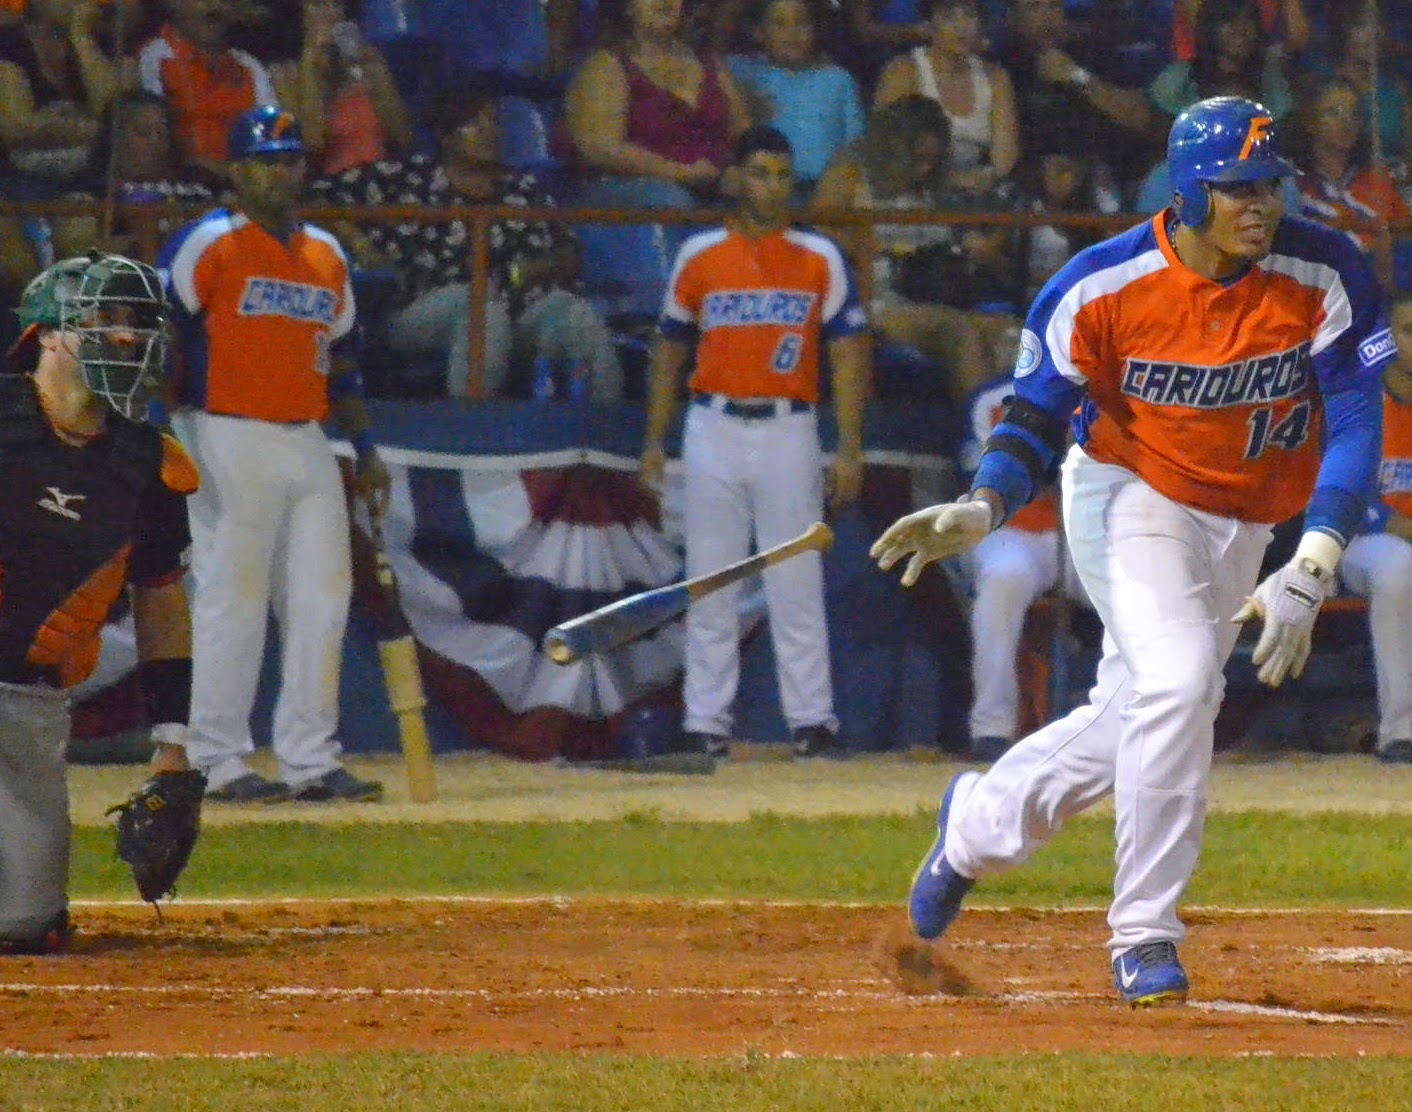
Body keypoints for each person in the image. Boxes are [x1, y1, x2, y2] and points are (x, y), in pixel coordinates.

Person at [871, 96, 1390, 1004]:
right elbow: (1032, 416)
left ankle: (978, 826)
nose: (1260, 204)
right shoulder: (1099, 283)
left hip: (1250, 514)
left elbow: (1353, 417)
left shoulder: (1325, 265)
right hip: (1132, 493)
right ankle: (1143, 934)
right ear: (1188, 194)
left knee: (1139, 712)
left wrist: (1313, 561)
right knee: (1184, 681)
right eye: (1236, 190)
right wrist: (984, 506)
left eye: (1268, 185)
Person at [159, 106, 391, 804]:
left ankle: (310, 759)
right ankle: (216, 758)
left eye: (290, 158)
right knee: (232, 596)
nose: (280, 171)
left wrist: (368, 448)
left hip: (307, 435)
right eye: (265, 160)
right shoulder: (210, 240)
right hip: (223, 429)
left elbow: (341, 360)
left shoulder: (325, 251)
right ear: (237, 170)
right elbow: (160, 335)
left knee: (323, 599)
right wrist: (158, 430)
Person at [639, 125, 868, 760]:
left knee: (796, 576)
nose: (773, 187)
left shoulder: (819, 256)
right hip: (710, 423)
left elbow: (848, 351)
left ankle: (812, 720)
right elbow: (669, 348)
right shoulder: (700, 255)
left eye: (782, 175)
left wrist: (848, 445)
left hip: (789, 425)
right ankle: (705, 721)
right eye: (761, 173)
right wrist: (654, 439)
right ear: (738, 177)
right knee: (709, 576)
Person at [0, 251, 200, 952]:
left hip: (29, 704)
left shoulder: (149, 464)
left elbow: (162, 603)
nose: (128, 337)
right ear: (49, 335)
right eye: (107, 319)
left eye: (140, 321)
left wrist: (171, 747)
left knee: (22, 926)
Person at [312, 83, 623, 402]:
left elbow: (569, 251)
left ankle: (604, 433)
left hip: (518, 310)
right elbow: (316, 195)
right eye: (474, 122)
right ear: (446, 135)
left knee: (576, 315)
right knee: (479, 304)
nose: (488, 131)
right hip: (419, 309)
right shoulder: (407, 180)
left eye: (492, 122)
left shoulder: (522, 188)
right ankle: (474, 425)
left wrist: (538, 268)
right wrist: (360, 244)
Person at [951, 363, 1088, 763]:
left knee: (1131, 591)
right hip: (1011, 532)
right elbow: (980, 475)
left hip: (1081, 532)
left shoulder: (1104, 392)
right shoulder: (991, 398)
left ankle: (1145, 723)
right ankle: (991, 730)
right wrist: (1049, 462)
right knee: (1003, 579)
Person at [1337, 288, 1412, 765]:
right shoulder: (1359, 401)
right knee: (1398, 567)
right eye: (1408, 331)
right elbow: (1339, 495)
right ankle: (1401, 731)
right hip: (1358, 542)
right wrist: (1391, 521)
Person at [871, 0, 1020, 196]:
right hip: (913, 189)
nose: (962, 27)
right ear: (928, 24)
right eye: (949, 16)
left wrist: (988, 178)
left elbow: (1004, 161)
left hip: (977, 195)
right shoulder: (903, 72)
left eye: (969, 15)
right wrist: (952, 180)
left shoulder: (997, 77)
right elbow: (886, 150)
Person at [726, 0, 866, 201]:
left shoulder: (837, 79)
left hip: (827, 193)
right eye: (780, 23)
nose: (792, 32)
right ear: (759, 32)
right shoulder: (743, 74)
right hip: (765, 191)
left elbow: (855, 142)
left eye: (801, 23)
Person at [1286, 74, 1411, 294]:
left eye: (1353, 114)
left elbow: (1405, 228)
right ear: (1309, 121)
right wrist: (1361, 226)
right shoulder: (1293, 183)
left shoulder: (1376, 177)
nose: (1346, 122)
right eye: (1333, 113)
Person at [137, 0, 277, 180]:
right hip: (177, 186)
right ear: (174, 4)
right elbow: (153, 138)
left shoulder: (250, 67)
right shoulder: (154, 59)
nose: (215, 8)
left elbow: (271, 141)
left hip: (241, 187)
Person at [272, 0, 412, 180]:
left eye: (336, 4)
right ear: (302, 15)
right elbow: (313, 142)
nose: (330, 13)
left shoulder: (366, 62)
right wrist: (311, 64)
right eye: (319, 5)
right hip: (332, 186)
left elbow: (402, 137)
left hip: (384, 176)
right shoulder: (287, 75)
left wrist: (378, 79)